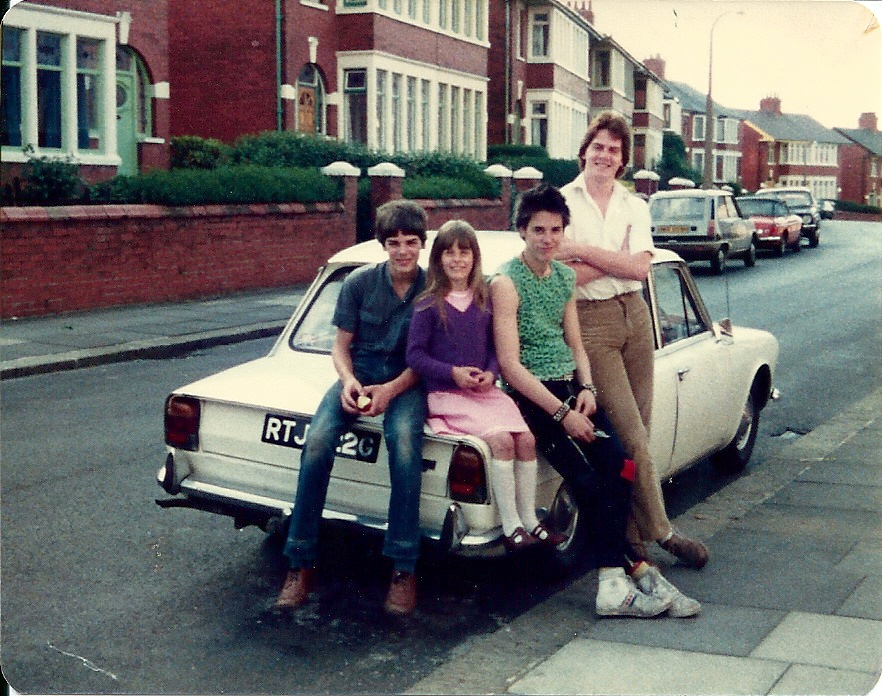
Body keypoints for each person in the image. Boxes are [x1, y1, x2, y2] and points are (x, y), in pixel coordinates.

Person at [491, 184, 700, 618]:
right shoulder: (506, 283)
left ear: (563, 232)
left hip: (570, 389)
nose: (546, 239)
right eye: (537, 230)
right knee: (586, 482)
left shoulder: (565, 277)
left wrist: (586, 389)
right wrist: (563, 414)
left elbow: (576, 344)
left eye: (554, 230)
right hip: (533, 400)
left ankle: (627, 572)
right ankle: (619, 578)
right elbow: (510, 366)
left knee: (622, 462)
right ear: (521, 231)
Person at [558, 110, 709, 568]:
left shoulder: (634, 207)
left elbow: (641, 268)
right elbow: (565, 278)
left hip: (636, 316)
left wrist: (585, 251)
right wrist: (613, 258)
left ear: (623, 161)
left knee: (640, 431)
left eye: (614, 150)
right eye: (598, 146)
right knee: (632, 435)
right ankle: (663, 532)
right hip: (591, 322)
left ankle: (630, 537)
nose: (604, 155)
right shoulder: (561, 203)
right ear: (584, 150)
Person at [275, 199, 429, 617]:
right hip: (358, 374)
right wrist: (348, 382)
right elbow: (340, 346)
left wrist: (390, 391)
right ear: (383, 245)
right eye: (394, 242)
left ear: (422, 243)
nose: (402, 251)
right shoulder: (360, 282)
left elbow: (425, 360)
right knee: (319, 439)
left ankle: (403, 569)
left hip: (405, 381)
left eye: (411, 242)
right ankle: (300, 563)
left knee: (402, 445)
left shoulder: (432, 289)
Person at [406, 220, 565, 552]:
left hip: (484, 392)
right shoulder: (427, 303)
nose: (457, 260)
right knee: (502, 441)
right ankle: (510, 526)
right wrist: (453, 373)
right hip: (446, 394)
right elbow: (415, 356)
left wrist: (492, 374)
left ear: (474, 258)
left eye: (464, 252)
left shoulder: (484, 298)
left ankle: (531, 521)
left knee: (527, 440)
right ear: (437, 259)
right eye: (449, 253)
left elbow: (495, 350)